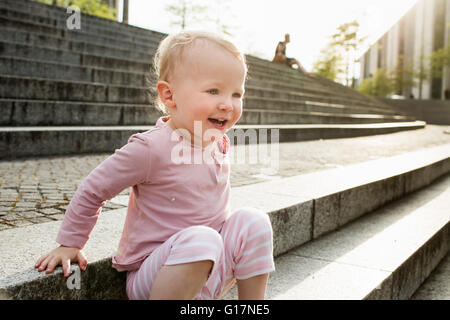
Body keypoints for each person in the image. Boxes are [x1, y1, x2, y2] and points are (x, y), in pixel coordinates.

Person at [34, 31, 275, 300]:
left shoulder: (217, 141)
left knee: (254, 221)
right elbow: (94, 188)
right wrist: (71, 243)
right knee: (203, 239)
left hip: (210, 265)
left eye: (236, 93)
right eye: (213, 91)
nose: (227, 104)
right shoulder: (151, 148)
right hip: (156, 274)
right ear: (170, 96)